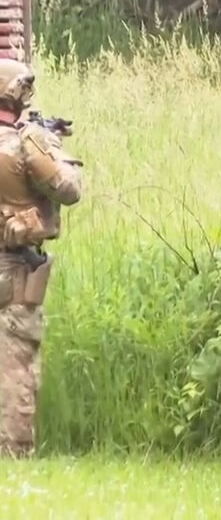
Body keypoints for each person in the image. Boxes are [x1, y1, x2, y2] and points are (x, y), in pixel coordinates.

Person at [0, 60, 82, 458]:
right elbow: (68, 189)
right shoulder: (23, 142)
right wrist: (52, 147)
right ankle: (14, 455)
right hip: (15, 271)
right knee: (17, 366)